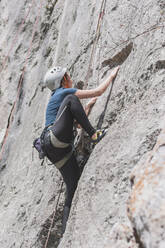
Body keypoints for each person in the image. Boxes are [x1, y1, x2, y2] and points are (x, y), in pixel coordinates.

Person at [43, 66, 119, 234]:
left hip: (53, 149)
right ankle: (94, 135)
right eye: (68, 75)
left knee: (73, 186)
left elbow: (76, 123)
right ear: (63, 80)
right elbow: (99, 91)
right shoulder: (64, 93)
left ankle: (65, 234)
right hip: (56, 139)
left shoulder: (55, 99)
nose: (71, 78)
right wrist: (112, 75)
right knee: (72, 98)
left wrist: (89, 107)